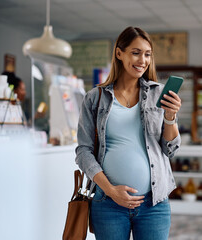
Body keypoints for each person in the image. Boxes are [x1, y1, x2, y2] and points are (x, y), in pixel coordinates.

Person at [75, 26, 182, 240]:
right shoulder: (94, 99)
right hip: (108, 204)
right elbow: (83, 152)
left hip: (154, 205)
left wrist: (170, 117)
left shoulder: (158, 94)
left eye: (147, 54)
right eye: (136, 52)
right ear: (119, 53)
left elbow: (170, 149)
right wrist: (111, 190)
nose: (142, 60)